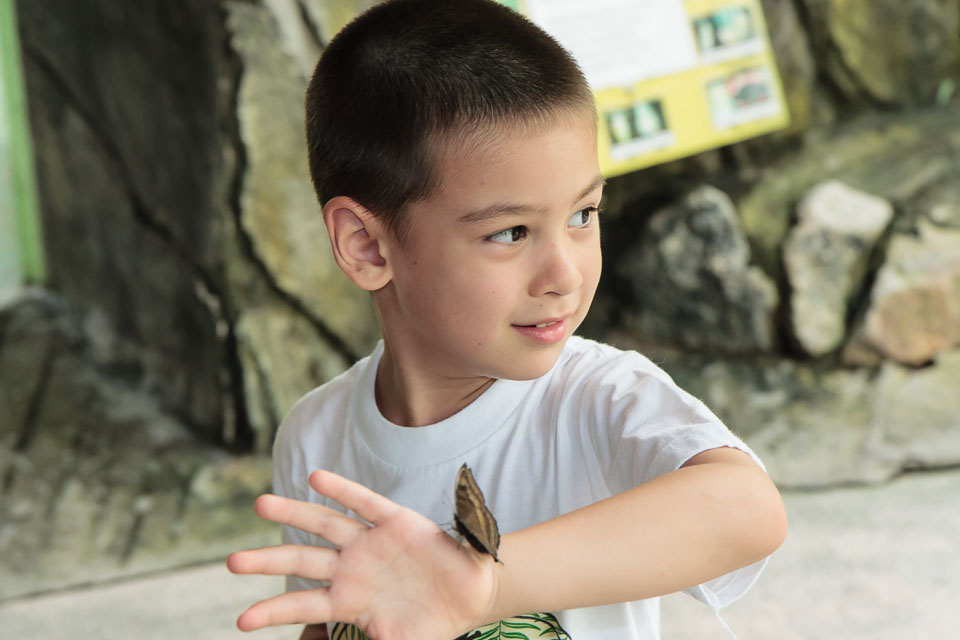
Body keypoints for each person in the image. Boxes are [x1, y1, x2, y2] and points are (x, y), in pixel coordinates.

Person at [226, 1, 787, 638]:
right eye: (511, 232)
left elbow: (748, 511)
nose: (564, 275)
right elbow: (332, 618)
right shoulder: (315, 439)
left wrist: (488, 584)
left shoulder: (596, 399)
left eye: (582, 214)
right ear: (368, 246)